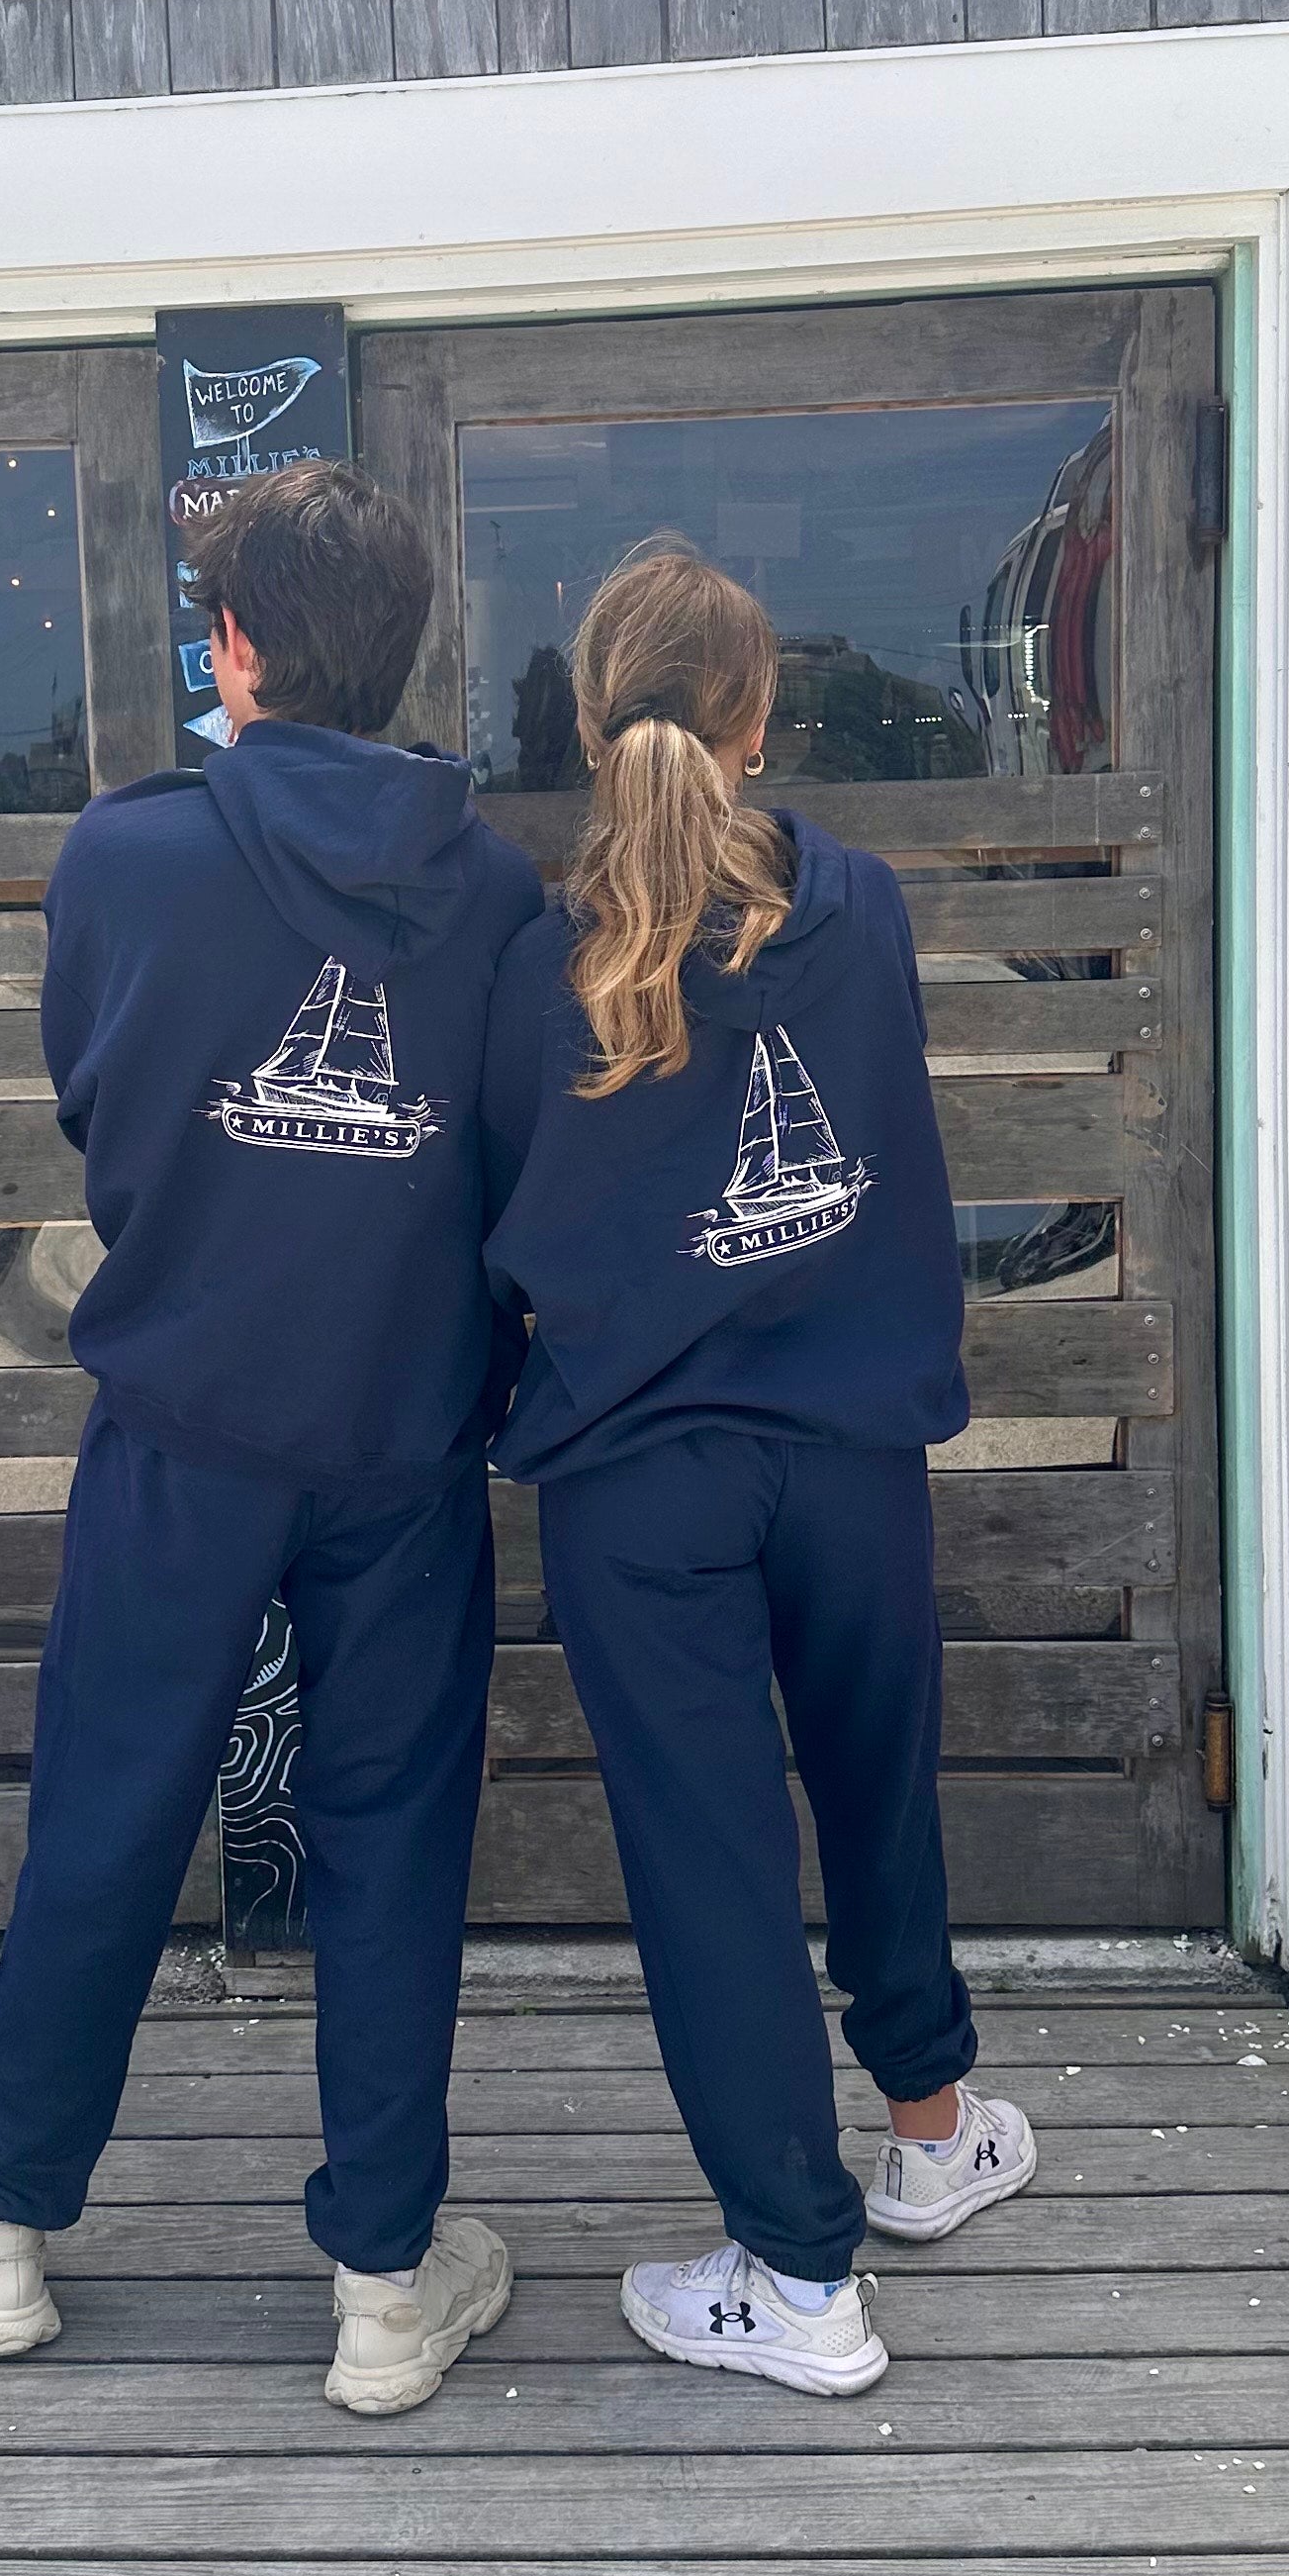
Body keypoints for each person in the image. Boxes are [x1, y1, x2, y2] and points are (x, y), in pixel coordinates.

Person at [0, 463, 542, 2417]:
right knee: (394, 1833)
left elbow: (94, 1103)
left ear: (242, 646)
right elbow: (516, 1149)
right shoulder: (500, 882)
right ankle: (384, 2276)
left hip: (187, 1411)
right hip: (408, 1421)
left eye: (215, 618)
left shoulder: (124, 855)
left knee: (109, 1798)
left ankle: (1, 2230)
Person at [479, 541, 1035, 2399]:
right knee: (879, 1787)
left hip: (644, 1486)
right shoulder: (856, 909)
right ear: (761, 713)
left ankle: (798, 2285)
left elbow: (502, 1221)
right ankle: (934, 2134)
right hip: (856, 1453)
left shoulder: (534, 966)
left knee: (714, 1865)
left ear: (582, 716)